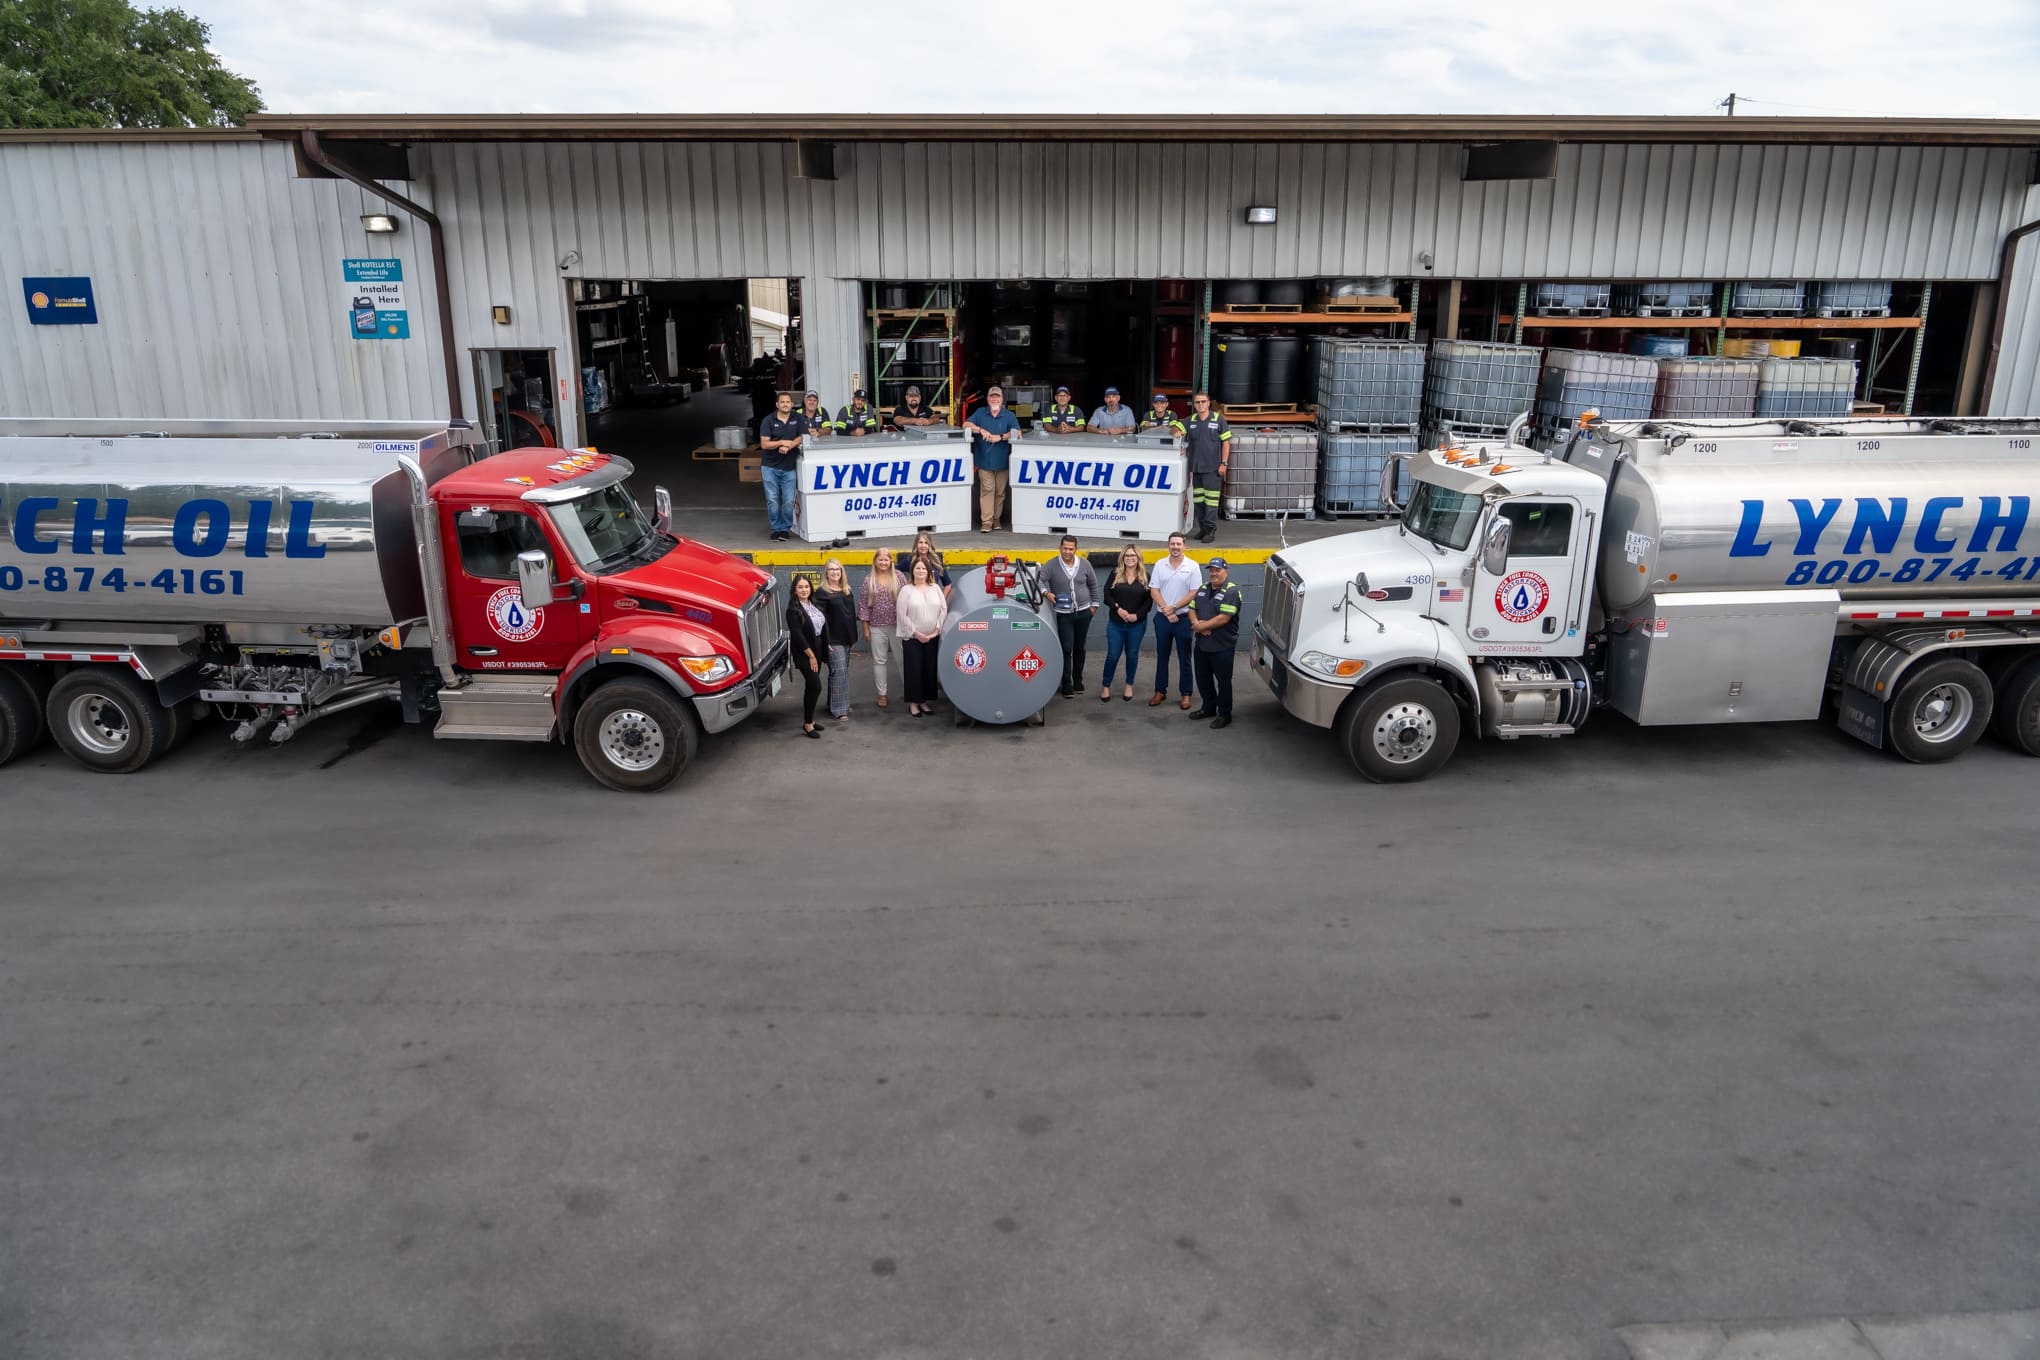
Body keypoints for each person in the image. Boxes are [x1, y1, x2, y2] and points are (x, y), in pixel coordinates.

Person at [1038, 534, 1099, 699]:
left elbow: (1093, 584)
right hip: (1064, 614)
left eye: (1071, 549)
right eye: (1065, 548)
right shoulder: (1051, 564)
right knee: (1066, 648)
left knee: (1080, 648)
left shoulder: (1085, 564)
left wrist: (1094, 606)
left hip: (1084, 612)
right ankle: (1066, 683)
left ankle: (1078, 680)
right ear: (1060, 548)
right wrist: (1047, 593)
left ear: (1075, 550)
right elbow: (1040, 580)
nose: (1067, 551)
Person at [1187, 556, 1244, 729]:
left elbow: (1223, 618)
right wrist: (1197, 625)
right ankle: (1208, 708)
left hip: (1222, 646)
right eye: (1211, 570)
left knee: (1223, 681)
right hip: (1202, 644)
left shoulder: (1232, 591)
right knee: (1203, 679)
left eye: (1217, 570)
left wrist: (1200, 626)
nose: (1213, 573)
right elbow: (1192, 608)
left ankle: (1224, 714)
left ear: (1226, 571)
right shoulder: (1203, 588)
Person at [1147, 531, 1201, 710]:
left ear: (1184, 546)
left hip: (1184, 619)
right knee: (1162, 656)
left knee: (1184, 657)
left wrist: (1174, 607)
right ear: (1168, 545)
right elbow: (1154, 590)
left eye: (1179, 544)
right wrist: (1167, 610)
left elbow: (1194, 592)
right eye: (1172, 544)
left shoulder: (1192, 566)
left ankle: (1186, 694)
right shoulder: (1160, 564)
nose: (1175, 547)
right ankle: (1160, 691)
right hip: (1163, 618)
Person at [896, 557, 948, 717]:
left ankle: (924, 701)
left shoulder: (935, 588)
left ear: (929, 571)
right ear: (912, 571)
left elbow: (943, 609)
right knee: (914, 670)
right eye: (917, 568)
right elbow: (902, 615)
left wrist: (936, 630)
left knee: (929, 670)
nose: (920, 571)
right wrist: (916, 633)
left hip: (932, 637)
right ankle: (913, 703)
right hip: (912, 638)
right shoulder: (906, 590)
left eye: (923, 569)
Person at [1099, 543, 1152, 702]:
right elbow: (1106, 594)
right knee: (1113, 655)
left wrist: (1137, 615)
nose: (1130, 558)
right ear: (1123, 557)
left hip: (1137, 624)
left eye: (1133, 556)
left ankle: (1129, 685)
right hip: (1116, 623)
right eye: (1127, 555)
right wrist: (1117, 609)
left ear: (1138, 558)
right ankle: (1106, 686)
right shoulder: (1115, 573)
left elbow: (1149, 601)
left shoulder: (1145, 576)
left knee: (1132, 655)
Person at [965, 386, 1019, 533]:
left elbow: (1018, 432)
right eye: (992, 397)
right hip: (984, 461)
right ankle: (987, 522)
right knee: (988, 490)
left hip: (1003, 463)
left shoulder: (1009, 416)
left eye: (997, 397)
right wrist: (981, 430)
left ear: (1002, 400)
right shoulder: (980, 413)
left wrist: (1000, 437)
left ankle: (996, 520)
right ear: (988, 399)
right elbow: (966, 425)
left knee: (1000, 492)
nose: (995, 399)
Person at [857, 547, 906, 709]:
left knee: (902, 659)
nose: (883, 562)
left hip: (897, 626)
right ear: (875, 561)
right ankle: (882, 694)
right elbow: (863, 605)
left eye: (886, 559)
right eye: (880, 560)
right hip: (876, 626)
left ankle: (910, 690)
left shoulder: (899, 577)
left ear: (891, 561)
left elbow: (907, 599)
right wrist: (865, 627)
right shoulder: (868, 580)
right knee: (879, 661)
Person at [1183, 391, 1232, 543]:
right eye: (1197, 402)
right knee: (1199, 501)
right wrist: (1174, 430)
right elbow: (1176, 429)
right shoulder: (1189, 420)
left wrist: (1224, 463)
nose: (1200, 404)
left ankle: (1210, 529)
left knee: (1211, 502)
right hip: (1196, 468)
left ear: (1209, 403)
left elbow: (1226, 442)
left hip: (1213, 469)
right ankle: (1203, 528)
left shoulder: (1218, 420)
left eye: (1203, 401)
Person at [757, 391, 805, 543]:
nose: (785, 404)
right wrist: (781, 442)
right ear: (777, 405)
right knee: (772, 499)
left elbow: (802, 436)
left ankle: (784, 529)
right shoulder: (768, 420)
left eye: (788, 402)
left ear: (792, 404)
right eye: (782, 402)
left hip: (788, 467)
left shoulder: (797, 418)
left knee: (788, 501)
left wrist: (790, 445)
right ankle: (775, 529)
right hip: (769, 467)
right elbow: (764, 443)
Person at [815, 557, 859, 721]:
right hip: (833, 640)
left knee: (841, 672)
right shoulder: (821, 592)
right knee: (838, 672)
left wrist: (853, 638)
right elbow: (819, 620)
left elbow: (850, 615)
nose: (835, 572)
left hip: (846, 638)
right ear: (826, 572)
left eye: (837, 569)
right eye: (831, 569)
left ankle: (836, 703)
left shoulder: (846, 589)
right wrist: (826, 641)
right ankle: (839, 709)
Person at [785, 573, 827, 738]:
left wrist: (826, 643)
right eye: (800, 587)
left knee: (811, 687)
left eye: (806, 586)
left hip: (817, 648)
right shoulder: (793, 611)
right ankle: (807, 724)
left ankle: (810, 719)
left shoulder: (814, 603)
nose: (804, 590)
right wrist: (811, 656)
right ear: (795, 591)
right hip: (805, 652)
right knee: (816, 686)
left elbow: (822, 625)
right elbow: (798, 636)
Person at [901, 531, 952, 599]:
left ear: (929, 545)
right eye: (920, 542)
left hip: (933, 600)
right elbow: (895, 571)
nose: (923, 546)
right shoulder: (910, 560)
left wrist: (942, 599)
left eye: (926, 543)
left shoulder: (936, 561)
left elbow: (948, 584)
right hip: (915, 600)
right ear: (916, 544)